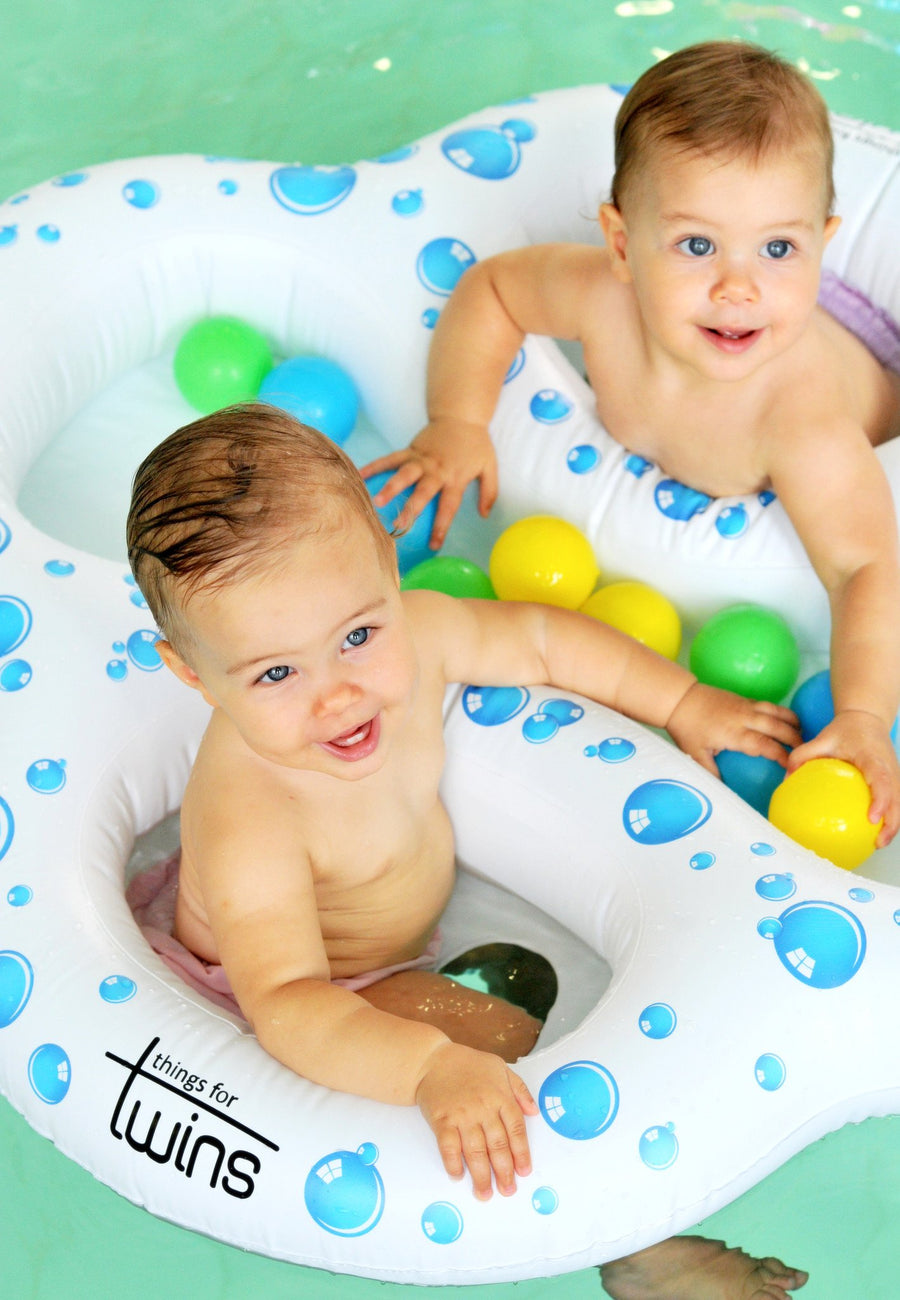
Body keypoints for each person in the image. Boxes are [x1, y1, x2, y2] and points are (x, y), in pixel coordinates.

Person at [127, 403, 806, 1300]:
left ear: (385, 572)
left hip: (386, 952)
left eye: (358, 636)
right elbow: (287, 1003)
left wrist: (684, 704)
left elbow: (537, 638)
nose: (339, 697)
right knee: (496, 1062)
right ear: (193, 674)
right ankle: (635, 1249)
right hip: (302, 994)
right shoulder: (249, 814)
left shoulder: (423, 632)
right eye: (277, 674)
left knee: (519, 979)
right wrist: (427, 1067)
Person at [363, 39, 900, 848]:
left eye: (780, 249)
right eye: (695, 245)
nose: (738, 286)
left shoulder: (802, 424)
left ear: (822, 244)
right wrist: (459, 423)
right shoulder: (602, 303)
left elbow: (866, 565)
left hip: (863, 355)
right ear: (620, 244)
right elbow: (494, 289)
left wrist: (859, 715)